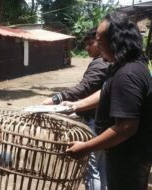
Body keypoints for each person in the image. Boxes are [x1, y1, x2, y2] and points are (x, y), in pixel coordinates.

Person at [62, 12, 152, 190]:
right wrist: (77, 104)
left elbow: (126, 127)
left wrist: (86, 147)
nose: (98, 47)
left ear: (116, 42)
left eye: (101, 42)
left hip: (128, 157)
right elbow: (107, 93)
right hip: (128, 154)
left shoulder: (127, 74)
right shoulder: (129, 66)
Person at [43, 28, 109, 190]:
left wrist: (56, 98)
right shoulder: (110, 63)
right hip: (105, 121)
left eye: (91, 43)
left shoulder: (100, 63)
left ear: (102, 43)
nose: (87, 48)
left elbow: (84, 88)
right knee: (102, 166)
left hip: (96, 121)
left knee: (91, 168)